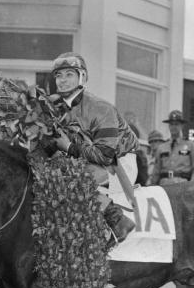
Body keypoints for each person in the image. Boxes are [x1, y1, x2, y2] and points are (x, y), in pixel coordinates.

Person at [50, 52, 137, 243]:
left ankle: (118, 221)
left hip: (119, 163)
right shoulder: (56, 107)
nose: (62, 81)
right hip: (86, 159)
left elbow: (105, 156)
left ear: (82, 77)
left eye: (69, 75)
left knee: (70, 180)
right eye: (59, 75)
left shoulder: (100, 108)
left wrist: (70, 147)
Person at [150, 110, 194, 185]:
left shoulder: (191, 146)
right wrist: (151, 186)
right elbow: (156, 171)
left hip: (182, 185)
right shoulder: (162, 147)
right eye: (171, 124)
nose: (173, 127)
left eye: (176, 124)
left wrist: (191, 186)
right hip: (164, 185)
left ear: (182, 126)